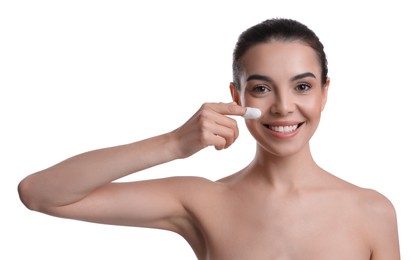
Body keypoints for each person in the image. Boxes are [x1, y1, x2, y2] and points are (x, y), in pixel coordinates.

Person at [18, 18, 400, 259]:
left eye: (302, 86)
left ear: (324, 93)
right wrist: (173, 144)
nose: (284, 107)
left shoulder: (372, 211)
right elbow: (40, 193)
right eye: (262, 89)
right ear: (237, 97)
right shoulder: (202, 201)